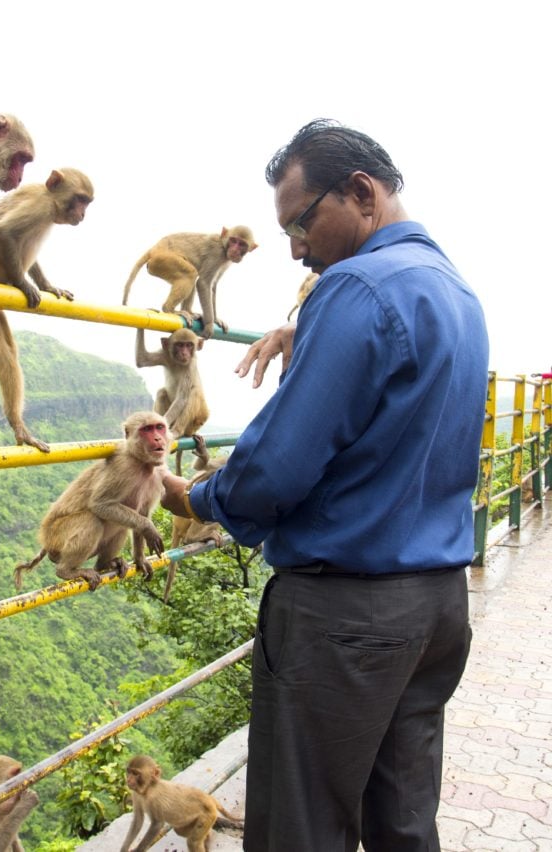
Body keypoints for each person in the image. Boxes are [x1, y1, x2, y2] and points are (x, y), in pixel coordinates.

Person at [161, 119, 489, 851]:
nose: (296, 248)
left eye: (301, 223)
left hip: (347, 617)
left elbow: (277, 465)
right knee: (403, 823)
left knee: (301, 828)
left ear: (361, 193)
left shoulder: (358, 288)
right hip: (437, 604)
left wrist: (198, 499)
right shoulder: (457, 293)